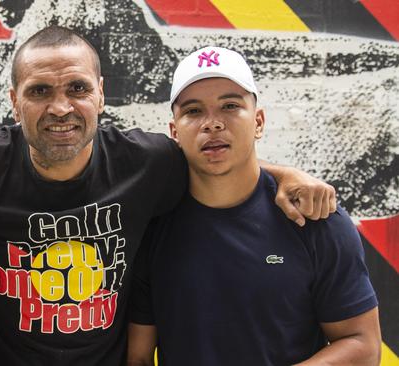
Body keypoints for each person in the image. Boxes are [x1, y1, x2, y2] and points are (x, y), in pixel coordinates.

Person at [0, 26, 336, 365]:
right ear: (14, 102)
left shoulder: (148, 163)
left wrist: (284, 174)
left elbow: (219, 159)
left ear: (100, 93)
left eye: (76, 89)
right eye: (39, 92)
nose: (60, 108)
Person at [127, 47, 381, 366]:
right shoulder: (153, 226)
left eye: (230, 106)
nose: (213, 123)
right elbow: (137, 356)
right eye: (193, 111)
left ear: (258, 122)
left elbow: (362, 345)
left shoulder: (313, 218)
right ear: (175, 132)